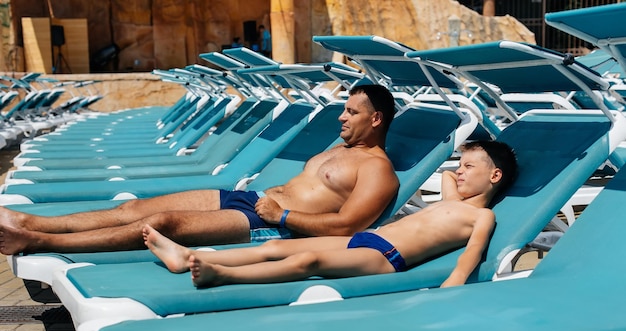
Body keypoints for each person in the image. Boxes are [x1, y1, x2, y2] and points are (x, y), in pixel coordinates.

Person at [0, 84, 399, 255]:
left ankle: (39, 242)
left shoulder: (378, 171)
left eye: (351, 112)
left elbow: (349, 226)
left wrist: (285, 215)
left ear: (376, 119)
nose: (342, 118)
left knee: (162, 222)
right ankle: (29, 220)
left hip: (275, 224)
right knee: (134, 208)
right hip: (254, 200)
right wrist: (273, 200)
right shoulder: (342, 147)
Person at [144, 140, 518, 288]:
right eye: (462, 165)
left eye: (470, 166)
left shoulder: (481, 218)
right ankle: (186, 257)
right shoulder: (452, 200)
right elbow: (449, 177)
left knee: (308, 259)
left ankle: (221, 274)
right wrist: (466, 168)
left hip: (385, 257)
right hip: (366, 239)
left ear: (495, 176)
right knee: (277, 247)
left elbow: (468, 260)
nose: (461, 171)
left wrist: (449, 290)